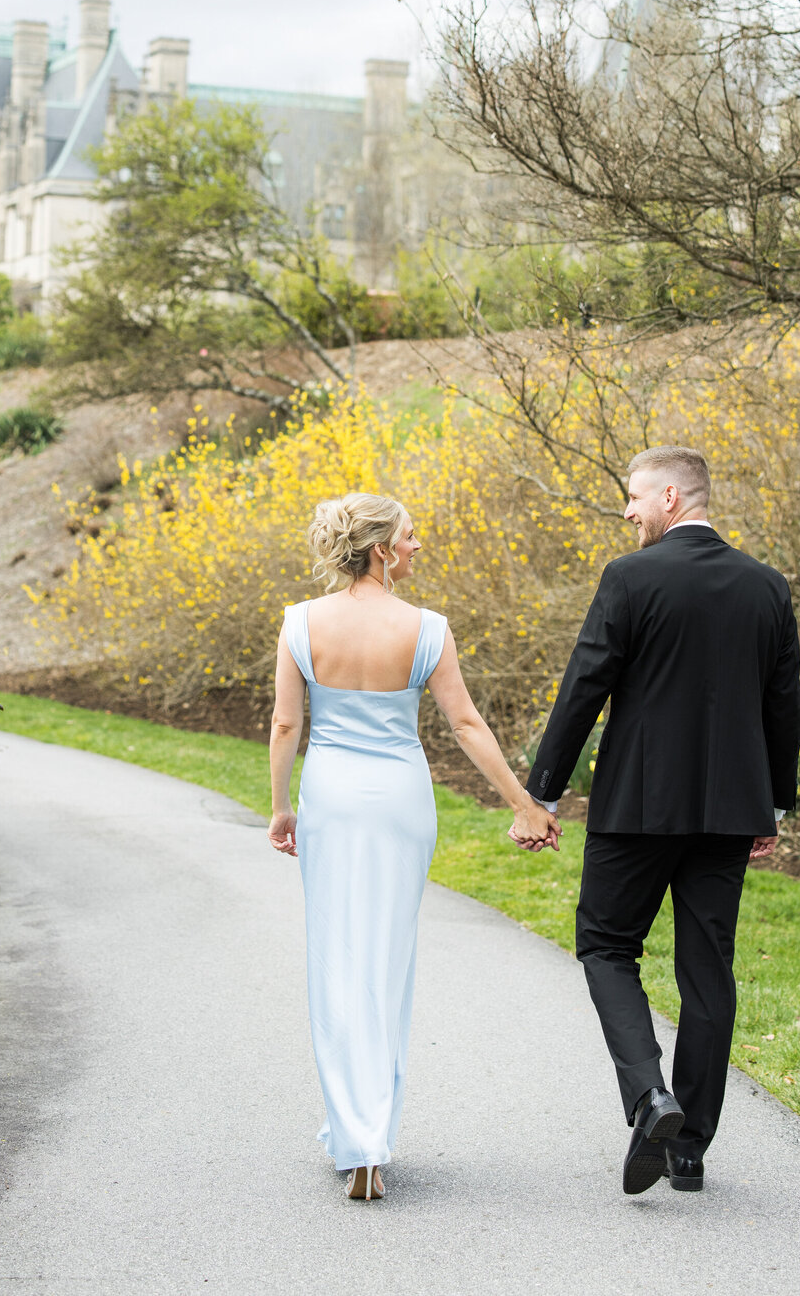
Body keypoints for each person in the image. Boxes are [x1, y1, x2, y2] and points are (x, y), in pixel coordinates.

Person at [520, 445, 800, 1195]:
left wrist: (542, 793)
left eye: (635, 497)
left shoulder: (631, 577)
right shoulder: (767, 587)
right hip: (727, 813)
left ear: (672, 497)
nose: (627, 510)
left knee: (606, 943)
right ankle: (690, 1150)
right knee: (708, 967)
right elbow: (784, 703)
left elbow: (585, 683)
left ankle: (650, 1095)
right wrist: (772, 801)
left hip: (637, 807)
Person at [268, 491, 559, 1201]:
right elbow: (464, 723)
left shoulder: (301, 623)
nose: (417, 544)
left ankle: (355, 1138)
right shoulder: (427, 628)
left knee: (338, 958)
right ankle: (372, 1135)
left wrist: (281, 809)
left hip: (332, 800)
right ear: (381, 550)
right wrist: (521, 802)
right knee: (388, 962)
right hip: (400, 799)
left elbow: (284, 726)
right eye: (409, 535)